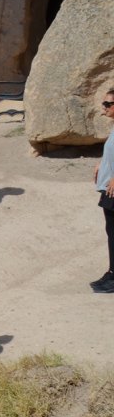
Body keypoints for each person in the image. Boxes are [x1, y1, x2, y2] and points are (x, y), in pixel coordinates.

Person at [93, 89, 114, 294]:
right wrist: (101, 164)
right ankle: (112, 272)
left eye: (108, 104)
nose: (104, 107)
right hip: (109, 187)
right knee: (111, 231)